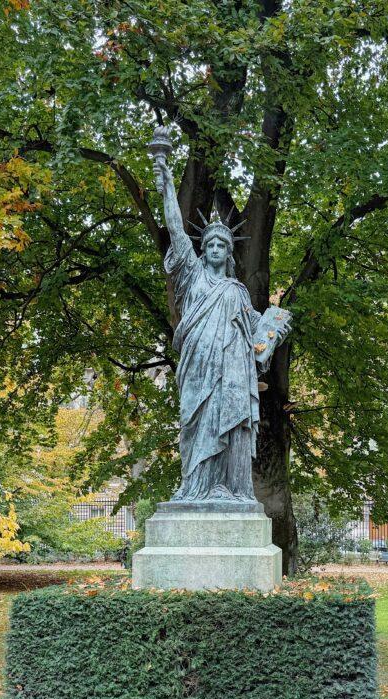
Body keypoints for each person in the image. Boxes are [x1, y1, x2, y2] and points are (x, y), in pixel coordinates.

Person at [152, 149, 290, 502]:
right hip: (198, 365)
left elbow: (259, 334)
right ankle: (195, 488)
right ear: (202, 250)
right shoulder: (192, 276)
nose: (215, 247)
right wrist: (167, 182)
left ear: (229, 252)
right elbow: (176, 230)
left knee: (232, 425)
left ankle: (228, 487)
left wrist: (274, 329)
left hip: (232, 371)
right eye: (210, 243)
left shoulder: (238, 290)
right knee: (196, 424)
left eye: (221, 244)